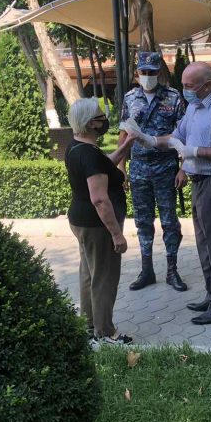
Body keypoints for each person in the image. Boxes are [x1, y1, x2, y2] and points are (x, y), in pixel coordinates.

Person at [131, 62, 211, 325]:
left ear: (208, 85)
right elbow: (176, 137)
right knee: (204, 245)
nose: (184, 90)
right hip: (199, 183)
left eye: (189, 86)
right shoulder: (193, 107)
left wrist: (196, 151)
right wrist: (149, 139)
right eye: (182, 85)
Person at [65, 98, 136, 345]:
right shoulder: (90, 155)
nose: (104, 120)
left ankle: (88, 325)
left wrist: (126, 146)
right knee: (104, 278)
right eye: (100, 117)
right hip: (98, 226)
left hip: (81, 221)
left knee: (89, 274)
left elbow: (106, 165)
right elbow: (99, 199)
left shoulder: (77, 146)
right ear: (90, 123)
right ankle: (105, 333)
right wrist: (117, 234)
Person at [118, 51, 188, 292]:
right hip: (138, 168)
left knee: (170, 222)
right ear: (137, 73)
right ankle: (146, 270)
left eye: (152, 72)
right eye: (143, 72)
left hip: (166, 167)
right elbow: (123, 134)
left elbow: (183, 135)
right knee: (143, 221)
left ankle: (172, 270)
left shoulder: (173, 97)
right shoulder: (130, 98)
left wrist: (183, 169)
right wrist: (121, 167)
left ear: (159, 72)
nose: (147, 75)